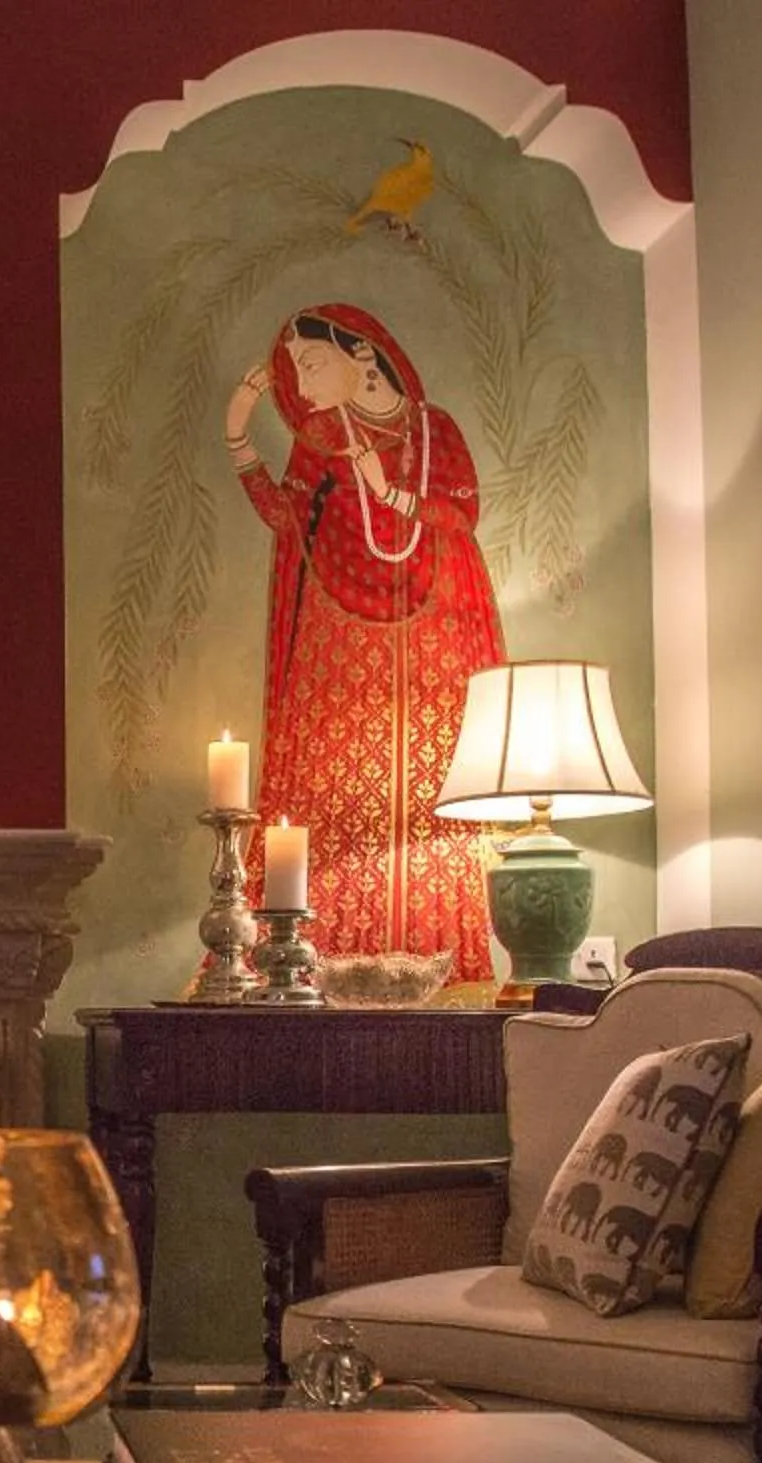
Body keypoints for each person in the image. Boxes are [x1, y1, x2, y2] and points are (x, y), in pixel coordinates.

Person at [225, 304, 503, 980]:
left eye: (313, 364)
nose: (301, 384)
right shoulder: (317, 440)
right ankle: (305, 968)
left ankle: (443, 966)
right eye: (293, 371)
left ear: (366, 359)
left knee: (440, 815)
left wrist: (390, 492)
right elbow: (286, 519)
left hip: (432, 628)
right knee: (322, 796)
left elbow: (460, 516)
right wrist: (239, 433)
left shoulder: (433, 434)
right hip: (335, 633)